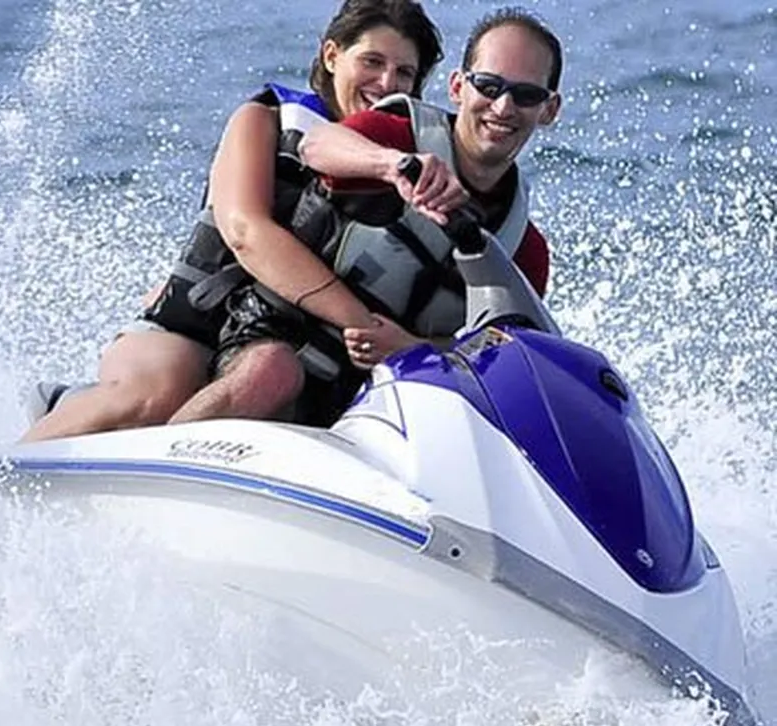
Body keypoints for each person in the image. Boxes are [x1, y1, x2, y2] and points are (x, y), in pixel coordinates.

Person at [22, 0, 444, 442]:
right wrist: (363, 325)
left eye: (404, 73)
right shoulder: (263, 120)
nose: (385, 82)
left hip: (291, 351)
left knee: (277, 379)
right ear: (332, 55)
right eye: (372, 62)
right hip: (196, 327)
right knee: (157, 396)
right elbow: (246, 233)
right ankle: (8, 473)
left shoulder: (407, 174)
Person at [182, 6, 562, 423]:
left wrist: (413, 346)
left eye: (526, 95)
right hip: (277, 334)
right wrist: (391, 165)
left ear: (549, 109)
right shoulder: (394, 136)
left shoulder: (524, 251)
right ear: (458, 87)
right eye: (488, 86)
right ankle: (161, 467)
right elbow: (317, 147)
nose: (503, 107)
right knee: (272, 373)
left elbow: (494, 354)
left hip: (380, 392)